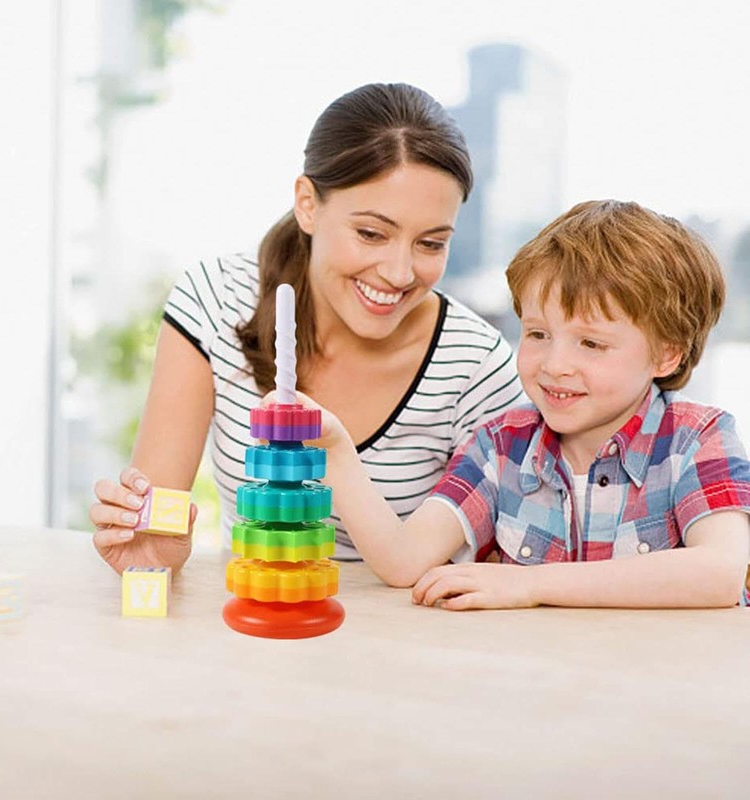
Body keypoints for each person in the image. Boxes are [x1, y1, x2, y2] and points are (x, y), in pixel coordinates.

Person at [89, 82, 524, 573]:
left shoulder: (476, 364)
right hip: (260, 622)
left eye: (430, 243)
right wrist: (153, 551)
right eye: (371, 233)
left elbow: (486, 568)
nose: (400, 273)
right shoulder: (215, 300)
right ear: (308, 204)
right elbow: (155, 519)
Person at [309, 200, 750, 609]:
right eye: (538, 334)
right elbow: (405, 562)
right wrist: (338, 455)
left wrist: (530, 584)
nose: (555, 365)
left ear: (666, 354)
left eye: (591, 343)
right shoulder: (499, 446)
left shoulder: (698, 438)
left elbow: (720, 573)